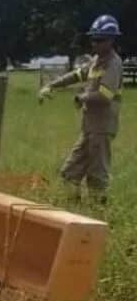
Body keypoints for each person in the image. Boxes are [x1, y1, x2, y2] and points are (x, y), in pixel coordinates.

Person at [38, 14, 123, 203]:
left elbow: (105, 96)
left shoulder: (113, 64)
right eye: (93, 39)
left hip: (102, 127)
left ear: (111, 40)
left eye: (99, 40)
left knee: (97, 177)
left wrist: (81, 97)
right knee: (70, 173)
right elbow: (76, 75)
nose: (94, 43)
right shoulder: (95, 61)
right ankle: (75, 212)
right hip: (89, 128)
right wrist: (52, 85)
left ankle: (97, 217)